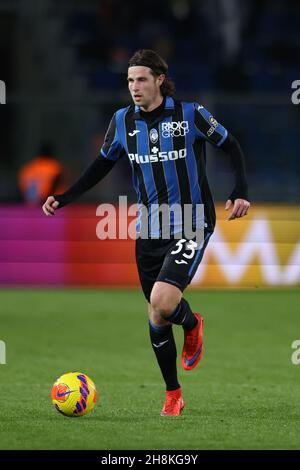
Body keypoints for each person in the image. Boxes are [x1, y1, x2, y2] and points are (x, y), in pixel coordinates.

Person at [42, 49, 250, 416]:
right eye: (129, 81)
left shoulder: (190, 115)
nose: (134, 87)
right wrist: (65, 197)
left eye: (140, 79)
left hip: (191, 219)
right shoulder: (122, 121)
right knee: (156, 314)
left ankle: (191, 322)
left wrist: (240, 191)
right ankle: (173, 393)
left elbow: (231, 145)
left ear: (158, 80)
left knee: (165, 301)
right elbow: (100, 166)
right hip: (150, 228)